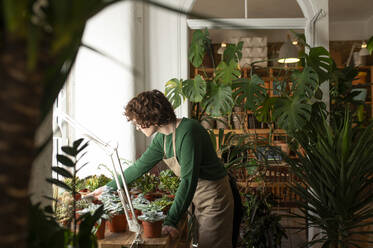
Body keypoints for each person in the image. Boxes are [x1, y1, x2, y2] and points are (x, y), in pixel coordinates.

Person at [92, 89, 234, 248]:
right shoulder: (161, 139)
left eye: (137, 122)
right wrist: (108, 187)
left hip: (214, 197)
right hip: (195, 195)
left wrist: (171, 220)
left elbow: (188, 180)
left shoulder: (189, 132)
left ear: (150, 116)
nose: (137, 128)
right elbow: (139, 167)